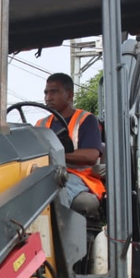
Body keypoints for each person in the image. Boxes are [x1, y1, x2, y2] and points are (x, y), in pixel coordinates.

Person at [38, 72, 105, 219]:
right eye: (46, 93)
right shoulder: (41, 124)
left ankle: (56, 228)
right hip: (46, 175)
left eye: (54, 92)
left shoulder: (86, 120)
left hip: (79, 178)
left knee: (56, 193)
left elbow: (91, 156)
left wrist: (55, 155)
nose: (48, 97)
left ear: (69, 95)